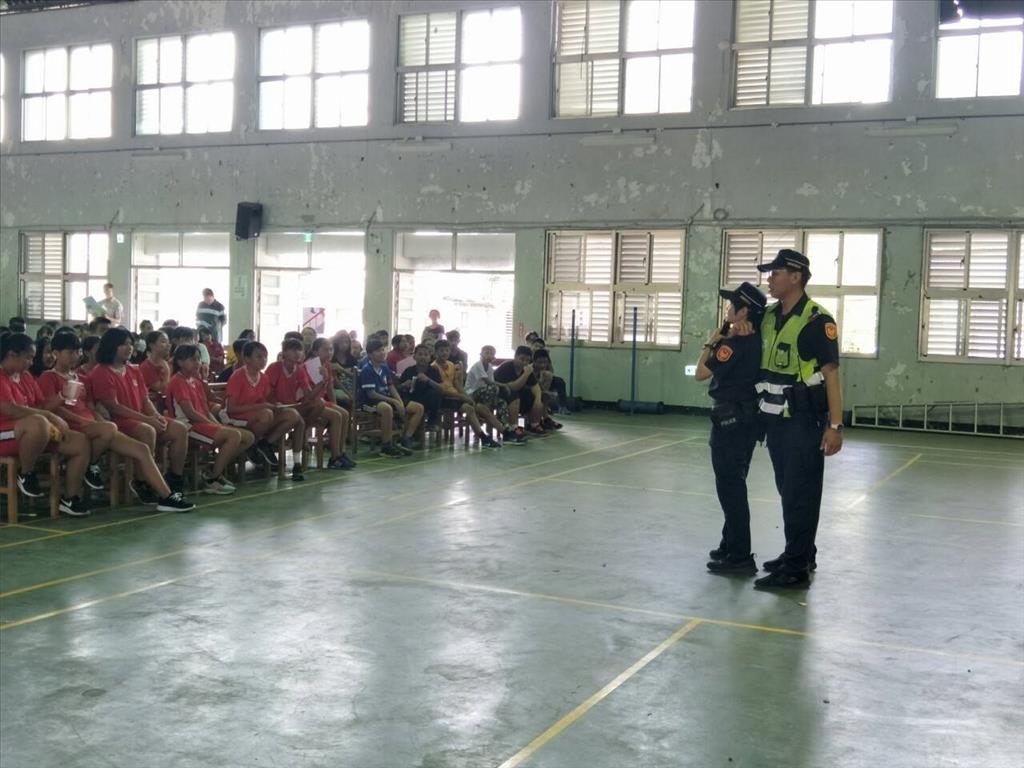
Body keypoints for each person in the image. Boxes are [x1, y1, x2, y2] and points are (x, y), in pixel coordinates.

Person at [751, 249, 844, 590]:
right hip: (775, 422)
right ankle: (801, 552)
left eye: (775, 273)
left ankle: (795, 569)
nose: (770, 279)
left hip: (803, 423)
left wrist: (835, 426)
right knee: (788, 491)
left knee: (801, 494)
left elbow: (831, 375)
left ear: (795, 277)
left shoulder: (817, 322)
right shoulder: (769, 316)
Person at [39, 332, 195, 512]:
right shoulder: (48, 377)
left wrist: (98, 419)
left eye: (77, 352)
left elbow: (90, 405)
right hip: (74, 427)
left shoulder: (82, 378)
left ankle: (166, 497)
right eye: (70, 352)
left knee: (141, 449)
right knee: (115, 428)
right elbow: (51, 408)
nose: (75, 356)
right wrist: (72, 407)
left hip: (95, 426)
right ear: (56, 353)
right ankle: (85, 475)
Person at [695, 282, 767, 576]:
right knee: (735, 482)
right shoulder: (756, 338)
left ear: (744, 311)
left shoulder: (733, 343)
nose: (727, 309)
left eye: (731, 305)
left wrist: (715, 338)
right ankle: (729, 544)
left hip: (730, 423)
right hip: (747, 421)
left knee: (730, 488)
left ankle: (739, 556)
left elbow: (701, 372)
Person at [91, 327, 191, 500]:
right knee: (147, 430)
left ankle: (175, 477)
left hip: (140, 418)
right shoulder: (101, 372)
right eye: (123, 344)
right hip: (119, 422)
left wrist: (156, 416)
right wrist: (148, 419)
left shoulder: (133, 369)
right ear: (111, 346)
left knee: (179, 429)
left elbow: (145, 399)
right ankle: (141, 481)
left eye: (130, 344)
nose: (129, 348)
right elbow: (114, 407)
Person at [0, 332, 92, 517]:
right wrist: (48, 415)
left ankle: (70, 498)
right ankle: (26, 473)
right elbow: (9, 409)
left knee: (80, 442)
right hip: (6, 432)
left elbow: (40, 404)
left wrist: (54, 408)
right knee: (38, 422)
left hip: (33, 433)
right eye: (28, 357)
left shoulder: (25, 377)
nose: (31, 363)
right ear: (12, 354)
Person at [166, 344, 254, 494]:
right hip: (187, 426)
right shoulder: (177, 381)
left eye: (199, 359)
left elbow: (205, 410)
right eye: (193, 359)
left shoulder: (196, 381)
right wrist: (216, 427)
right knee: (233, 435)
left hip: (201, 423)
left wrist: (216, 424)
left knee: (249, 437)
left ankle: (211, 471)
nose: (197, 363)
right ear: (180, 362)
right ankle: (212, 479)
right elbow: (190, 413)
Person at [267, 338, 355, 471]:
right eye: (325, 349)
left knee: (344, 413)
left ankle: (340, 453)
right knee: (336, 415)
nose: (329, 352)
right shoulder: (310, 365)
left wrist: (325, 386)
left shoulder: (323, 365)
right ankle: (334, 456)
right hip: (295, 404)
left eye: (331, 349)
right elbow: (304, 395)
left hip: (310, 401)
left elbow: (324, 389)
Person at [222, 341, 304, 479]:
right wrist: (262, 407)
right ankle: (253, 445)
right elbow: (231, 409)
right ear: (247, 358)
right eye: (259, 357)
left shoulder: (263, 377)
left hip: (257, 417)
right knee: (265, 414)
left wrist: (275, 405)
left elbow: (265, 400)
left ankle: (265, 443)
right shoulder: (237, 376)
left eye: (265, 357)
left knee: (293, 415)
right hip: (236, 418)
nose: (263, 360)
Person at [359, 338, 423, 457]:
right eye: (378, 351)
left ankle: (405, 439)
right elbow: (371, 394)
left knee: (418, 408)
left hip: (386, 398)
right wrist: (394, 401)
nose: (382, 352)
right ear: (370, 355)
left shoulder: (384, 367)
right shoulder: (367, 370)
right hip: (370, 402)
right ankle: (386, 445)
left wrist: (399, 401)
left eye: (383, 349)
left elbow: (391, 386)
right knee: (386, 408)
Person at [432, 339, 501, 448]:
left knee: (475, 407)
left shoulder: (451, 364)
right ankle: (485, 436)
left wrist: (466, 396)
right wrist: (463, 397)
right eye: (441, 351)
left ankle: (500, 433)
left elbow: (458, 385)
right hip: (443, 399)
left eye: (446, 350)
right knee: (473, 406)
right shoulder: (433, 367)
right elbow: (442, 390)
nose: (444, 353)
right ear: (435, 353)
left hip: (456, 397)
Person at [465, 345, 526, 444]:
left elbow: (492, 382)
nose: (489, 355)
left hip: (484, 394)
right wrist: (505, 385)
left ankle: (507, 429)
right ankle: (484, 409)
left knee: (502, 403)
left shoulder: (489, 367)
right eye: (487, 353)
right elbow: (489, 382)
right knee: (494, 388)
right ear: (481, 354)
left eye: (492, 353)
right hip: (473, 393)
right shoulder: (478, 365)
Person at [495, 346, 547, 436]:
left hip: (516, 394)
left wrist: (538, 400)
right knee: (514, 395)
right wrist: (526, 374)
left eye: (527, 360)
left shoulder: (526, 369)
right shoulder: (507, 367)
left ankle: (534, 424)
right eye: (522, 359)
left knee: (537, 396)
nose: (524, 362)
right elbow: (513, 387)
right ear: (515, 357)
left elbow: (535, 386)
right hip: (500, 393)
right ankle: (513, 427)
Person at [398, 344, 443, 427]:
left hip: (427, 401)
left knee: (435, 393)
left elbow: (441, 388)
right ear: (414, 357)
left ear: (430, 358)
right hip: (411, 400)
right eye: (420, 354)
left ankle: (431, 422)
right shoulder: (409, 370)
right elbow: (398, 388)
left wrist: (428, 380)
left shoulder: (433, 371)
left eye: (426, 355)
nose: (423, 357)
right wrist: (404, 385)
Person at [530, 350, 564, 431]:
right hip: (527, 393)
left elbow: (544, 390)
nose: (542, 365)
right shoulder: (529, 370)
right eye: (539, 362)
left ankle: (545, 418)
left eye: (545, 362)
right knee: (539, 397)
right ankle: (535, 422)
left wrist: (548, 393)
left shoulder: (547, 374)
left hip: (539, 394)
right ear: (534, 361)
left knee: (546, 396)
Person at [138, 330, 171, 398]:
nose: (168, 345)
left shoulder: (166, 363)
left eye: (168, 342)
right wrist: (167, 371)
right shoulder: (146, 367)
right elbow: (162, 390)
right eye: (163, 342)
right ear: (152, 345)